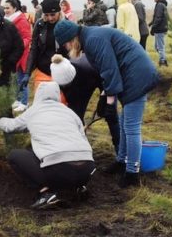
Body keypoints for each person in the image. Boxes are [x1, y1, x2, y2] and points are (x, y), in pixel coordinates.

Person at [53, 20, 159, 188]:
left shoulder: (93, 39)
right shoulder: (90, 37)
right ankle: (122, 161)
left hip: (138, 75)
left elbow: (110, 69)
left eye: (66, 44)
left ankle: (132, 172)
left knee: (131, 127)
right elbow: (106, 69)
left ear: (72, 39)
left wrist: (110, 102)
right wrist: (105, 94)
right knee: (125, 123)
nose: (66, 49)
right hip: (130, 74)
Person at [0, 81, 95, 209]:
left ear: (38, 95)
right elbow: (82, 136)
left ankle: (46, 194)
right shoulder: (69, 112)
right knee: (63, 153)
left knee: (15, 156)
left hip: (59, 170)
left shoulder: (34, 111)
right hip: (87, 169)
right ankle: (78, 187)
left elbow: (11, 126)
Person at [51, 53, 120, 156]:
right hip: (79, 87)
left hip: (100, 78)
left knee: (111, 114)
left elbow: (110, 81)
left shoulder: (90, 67)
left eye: (67, 84)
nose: (65, 86)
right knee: (75, 116)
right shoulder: (57, 76)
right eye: (63, 86)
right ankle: (79, 149)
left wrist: (104, 98)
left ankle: (120, 152)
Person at [27, 0, 68, 98]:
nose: (50, 18)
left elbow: (72, 51)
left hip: (61, 71)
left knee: (60, 104)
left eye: (53, 14)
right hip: (42, 70)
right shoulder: (39, 24)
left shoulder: (67, 25)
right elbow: (34, 48)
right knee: (41, 104)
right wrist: (28, 72)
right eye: (46, 15)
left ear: (59, 11)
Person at [4, 0, 32, 108]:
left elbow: (27, 37)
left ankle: (24, 102)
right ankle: (18, 99)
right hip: (12, 55)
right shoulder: (6, 20)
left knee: (22, 79)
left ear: (14, 8)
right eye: (4, 8)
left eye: (8, 8)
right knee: (15, 79)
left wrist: (18, 47)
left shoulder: (21, 20)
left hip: (22, 55)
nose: (5, 10)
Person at [150, 0, 169, 66]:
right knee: (157, 47)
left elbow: (158, 18)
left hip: (159, 29)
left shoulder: (160, 5)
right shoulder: (160, 4)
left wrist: (153, 28)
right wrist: (150, 23)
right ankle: (163, 59)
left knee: (160, 47)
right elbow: (157, 17)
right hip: (160, 28)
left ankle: (163, 61)